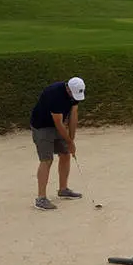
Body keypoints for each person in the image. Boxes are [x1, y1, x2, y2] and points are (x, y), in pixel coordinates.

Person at [29, 77, 86, 210]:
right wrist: (69, 141)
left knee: (65, 154)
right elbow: (58, 123)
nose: (75, 97)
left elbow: (73, 115)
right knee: (47, 159)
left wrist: (72, 140)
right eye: (73, 94)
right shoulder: (54, 94)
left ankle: (63, 189)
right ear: (68, 88)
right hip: (42, 126)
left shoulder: (76, 92)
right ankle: (41, 198)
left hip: (57, 124)